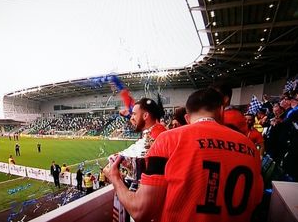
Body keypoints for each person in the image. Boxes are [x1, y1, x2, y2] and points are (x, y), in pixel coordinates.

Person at [104, 88, 263, 222]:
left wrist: (115, 178)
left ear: (187, 118)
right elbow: (257, 200)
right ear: (221, 111)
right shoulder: (250, 147)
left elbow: (141, 212)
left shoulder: (168, 139)